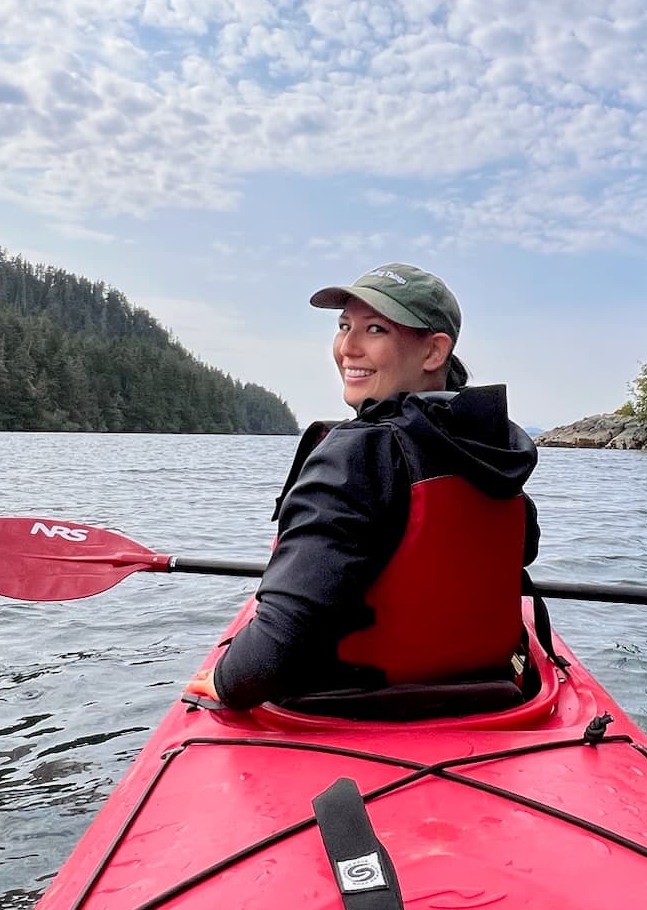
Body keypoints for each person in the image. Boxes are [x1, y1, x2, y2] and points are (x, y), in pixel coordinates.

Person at [185, 264, 540, 710]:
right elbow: (522, 550)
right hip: (491, 690)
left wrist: (227, 679)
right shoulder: (489, 445)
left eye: (375, 330)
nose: (347, 347)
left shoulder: (356, 453)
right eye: (343, 326)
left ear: (433, 352)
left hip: (353, 703)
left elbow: (274, 654)